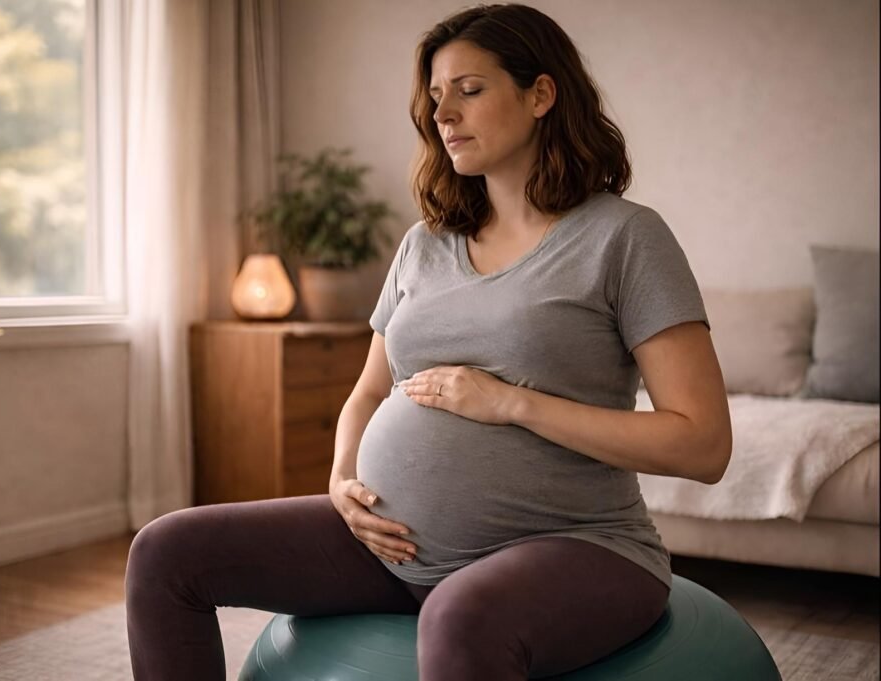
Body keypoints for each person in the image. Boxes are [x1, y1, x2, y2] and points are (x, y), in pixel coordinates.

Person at [125, 4, 732, 680]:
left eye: (470, 91)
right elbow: (368, 390)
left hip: (577, 545)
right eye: (437, 98)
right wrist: (340, 479)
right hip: (386, 546)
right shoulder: (424, 243)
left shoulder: (625, 238)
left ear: (541, 94)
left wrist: (512, 404)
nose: (445, 114)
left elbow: (703, 443)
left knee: (460, 617)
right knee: (164, 552)